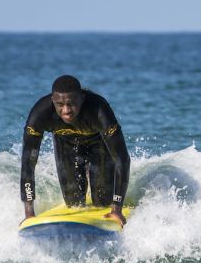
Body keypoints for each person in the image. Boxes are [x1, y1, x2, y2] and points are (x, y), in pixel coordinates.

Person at [20, 75, 130, 226]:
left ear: (82, 99)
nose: (66, 111)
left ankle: (99, 187)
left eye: (71, 104)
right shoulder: (40, 114)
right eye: (60, 104)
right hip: (65, 144)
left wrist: (117, 208)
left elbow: (122, 159)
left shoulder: (99, 110)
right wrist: (29, 213)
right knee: (73, 203)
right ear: (53, 100)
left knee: (103, 201)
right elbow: (28, 163)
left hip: (98, 143)